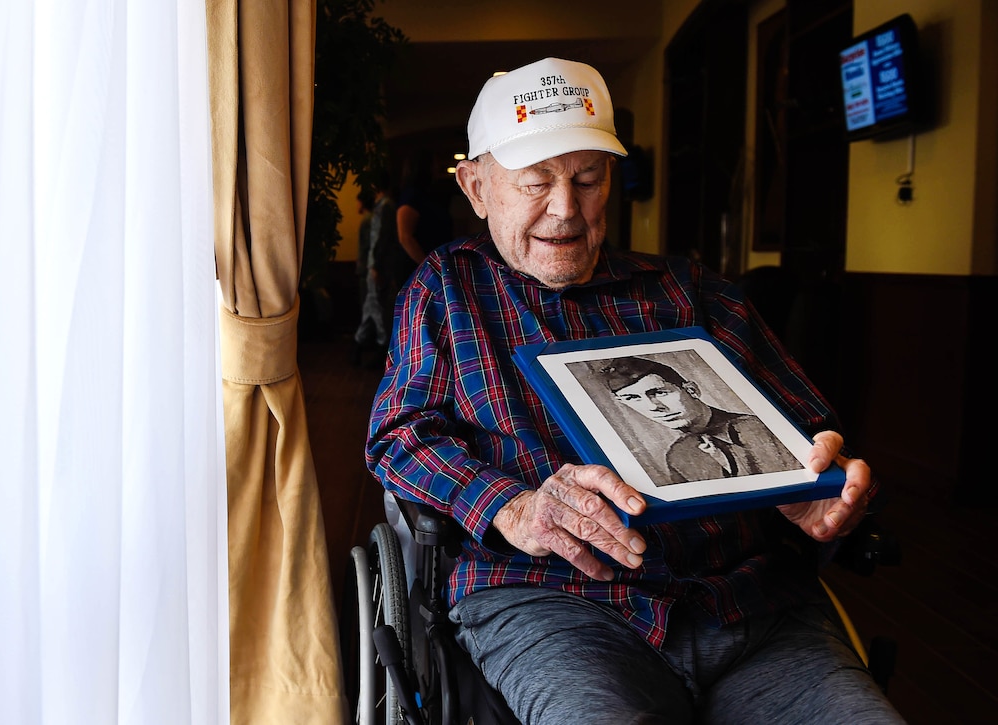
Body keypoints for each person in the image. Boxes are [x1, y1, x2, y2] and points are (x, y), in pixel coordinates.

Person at [366, 57, 904, 724]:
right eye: (535, 182)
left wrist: (826, 488)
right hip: (554, 602)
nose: (565, 210)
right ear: (476, 186)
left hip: (750, 605)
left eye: (588, 179)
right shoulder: (448, 291)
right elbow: (400, 435)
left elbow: (809, 434)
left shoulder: (694, 292)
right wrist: (514, 507)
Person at [601, 355, 799, 483]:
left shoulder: (759, 428)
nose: (654, 407)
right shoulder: (678, 456)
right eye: (633, 399)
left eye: (659, 392)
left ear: (691, 389)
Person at [352, 170, 397, 367]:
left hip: (376, 267)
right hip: (376, 267)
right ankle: (374, 351)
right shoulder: (384, 207)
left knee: (375, 309)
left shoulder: (384, 207)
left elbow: (379, 239)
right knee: (375, 310)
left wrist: (375, 266)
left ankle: (367, 350)